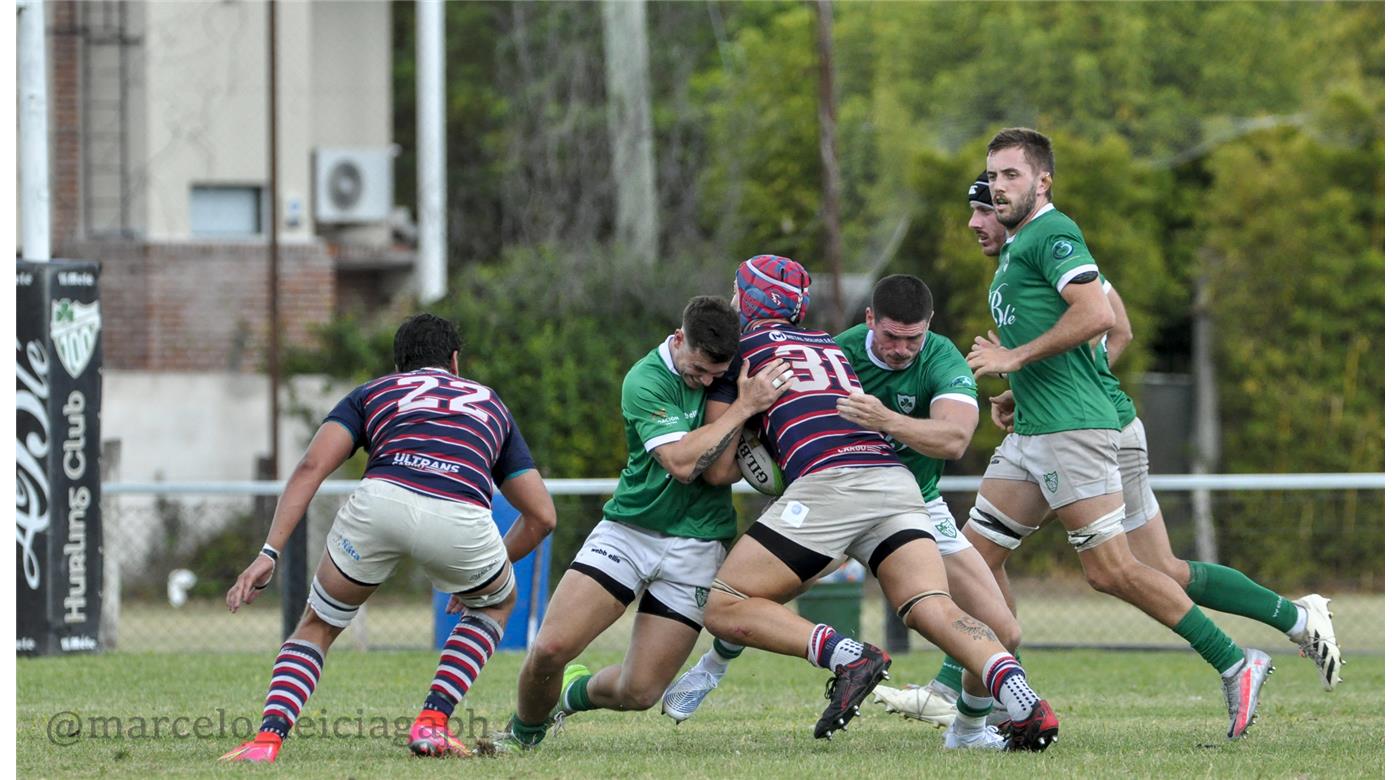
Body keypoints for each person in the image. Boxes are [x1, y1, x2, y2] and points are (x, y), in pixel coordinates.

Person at [959, 171, 1343, 693]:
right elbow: (1095, 333)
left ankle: (1239, 658)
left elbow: (1112, 322)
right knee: (1153, 568)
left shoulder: (1051, 244)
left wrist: (1046, 375)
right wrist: (1029, 386)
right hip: (1066, 423)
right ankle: (1296, 621)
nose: (977, 220)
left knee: (1111, 569)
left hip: (1092, 426)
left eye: (987, 206)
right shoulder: (1022, 259)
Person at [701, 254, 1058, 752]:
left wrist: (743, 418)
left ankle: (849, 657)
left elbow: (718, 470)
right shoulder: (832, 345)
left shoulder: (742, 349)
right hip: (895, 486)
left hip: (846, 489)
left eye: (913, 338)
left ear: (744, 301)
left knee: (727, 602)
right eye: (892, 336)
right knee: (927, 605)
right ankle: (1018, 697)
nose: (901, 348)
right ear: (867, 319)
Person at [219, 313, 557, 763]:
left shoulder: (374, 392)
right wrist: (488, 574)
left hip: (380, 502)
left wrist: (269, 551)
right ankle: (432, 724)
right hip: (459, 515)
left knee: (317, 625)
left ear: (399, 365)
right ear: (455, 362)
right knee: (496, 604)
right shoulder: (490, 402)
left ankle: (266, 742)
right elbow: (542, 516)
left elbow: (310, 468)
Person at [497, 296, 793, 752]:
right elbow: (680, 462)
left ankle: (574, 694)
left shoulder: (740, 376)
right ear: (679, 339)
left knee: (640, 693)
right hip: (631, 532)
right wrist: (741, 409)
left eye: (717, 375)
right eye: (698, 371)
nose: (706, 381)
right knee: (551, 649)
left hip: (700, 545)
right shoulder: (646, 379)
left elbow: (723, 468)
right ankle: (521, 735)